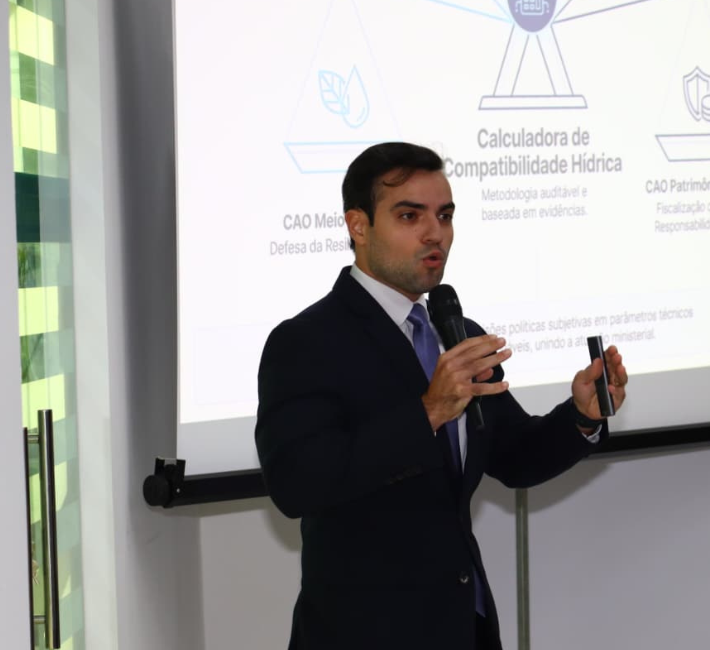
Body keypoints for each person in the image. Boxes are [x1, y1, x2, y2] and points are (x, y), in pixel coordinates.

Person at [255, 142, 628, 650]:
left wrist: (580, 417)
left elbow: (514, 456)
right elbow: (296, 485)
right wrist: (428, 412)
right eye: (410, 216)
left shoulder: (456, 333)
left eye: (445, 216)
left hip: (464, 627)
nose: (435, 233)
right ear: (358, 225)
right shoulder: (306, 342)